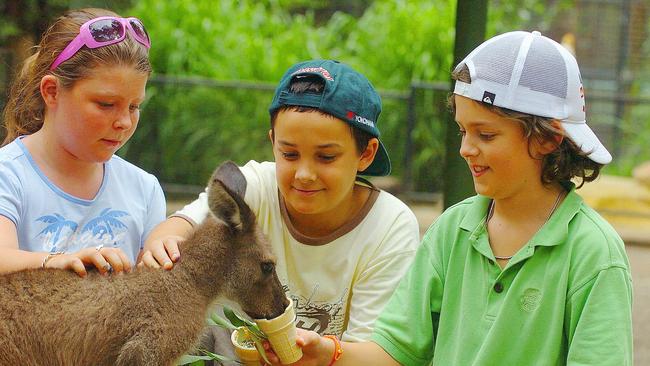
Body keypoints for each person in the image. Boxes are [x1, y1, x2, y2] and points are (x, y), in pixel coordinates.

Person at [272, 31, 634, 366]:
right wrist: (328, 352)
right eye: (463, 130)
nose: (465, 149)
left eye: (486, 134)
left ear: (548, 138)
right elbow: (396, 351)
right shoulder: (452, 229)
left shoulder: (593, 254)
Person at [142, 59, 421, 344]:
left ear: (366, 154)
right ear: (273, 141)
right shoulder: (257, 186)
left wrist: (325, 356)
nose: (304, 175)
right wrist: (166, 239)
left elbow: (370, 349)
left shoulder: (389, 226)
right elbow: (184, 223)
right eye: (289, 154)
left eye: (326, 157)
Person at [0, 8, 166, 277]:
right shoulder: (8, 175)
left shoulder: (144, 191)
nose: (124, 121)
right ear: (52, 92)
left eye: (134, 106)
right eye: (106, 104)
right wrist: (55, 263)